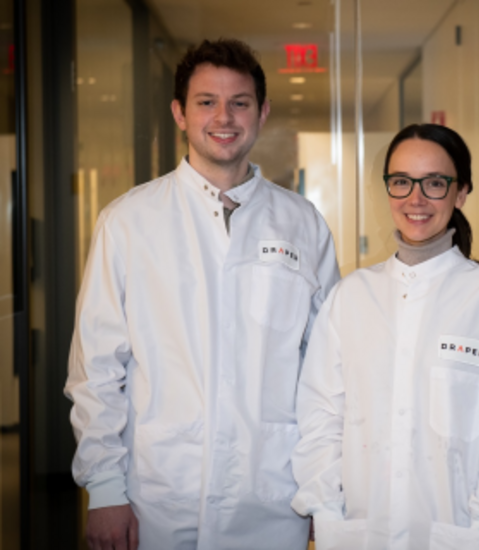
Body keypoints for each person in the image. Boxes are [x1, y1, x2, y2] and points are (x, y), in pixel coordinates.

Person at [65, 38, 340, 550]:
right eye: (206, 102)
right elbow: (97, 369)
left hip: (274, 495)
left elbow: (327, 373)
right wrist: (104, 490)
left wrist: (323, 493)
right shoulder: (128, 222)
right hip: (159, 494)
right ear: (179, 113)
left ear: (262, 113)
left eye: (240, 102)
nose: (224, 117)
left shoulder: (302, 225)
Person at [290, 124, 479, 550]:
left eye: (434, 183)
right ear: (387, 189)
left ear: (460, 192)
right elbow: (320, 418)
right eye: (401, 182)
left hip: (462, 535)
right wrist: (326, 509)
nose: (416, 198)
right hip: (358, 531)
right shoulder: (351, 297)